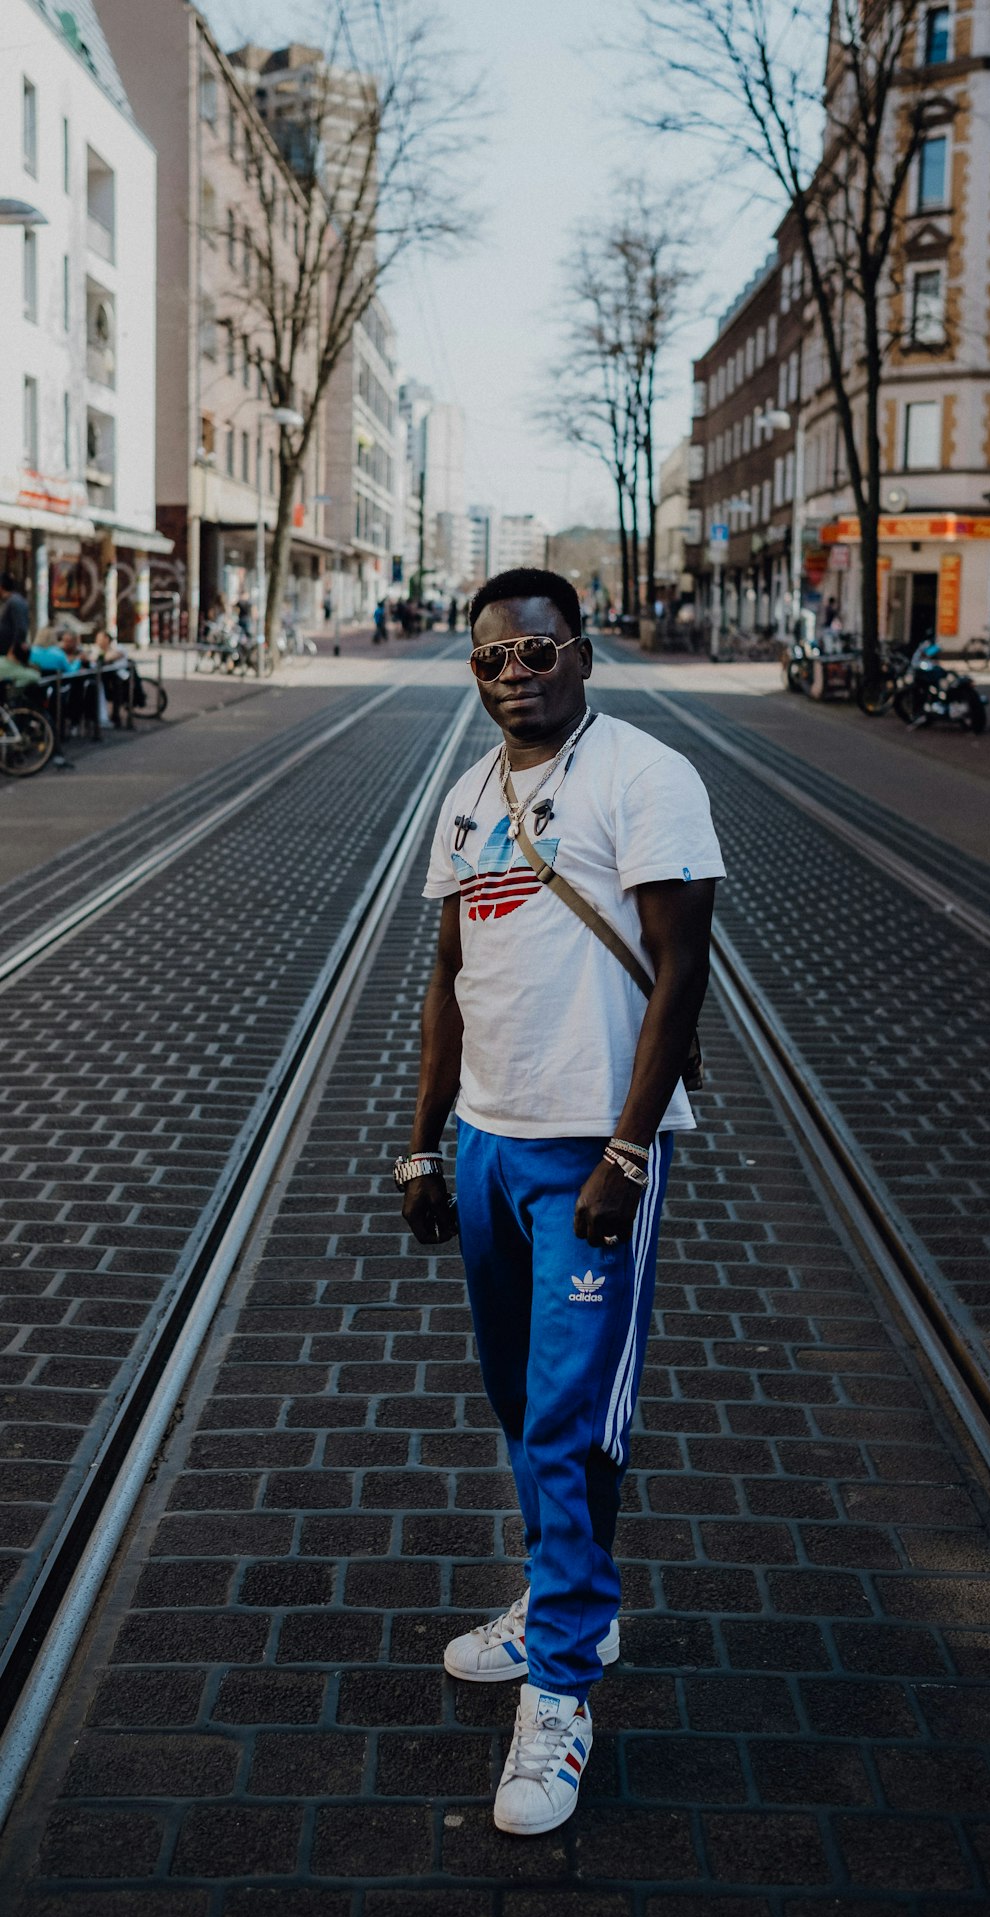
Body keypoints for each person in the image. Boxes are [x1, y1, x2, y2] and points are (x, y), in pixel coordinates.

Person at [399, 565, 724, 1837]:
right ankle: (556, 1595)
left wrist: (629, 1153)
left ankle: (566, 1682)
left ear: (579, 652)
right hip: (486, 1142)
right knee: (515, 1400)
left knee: (572, 1421)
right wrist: (423, 1150)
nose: (513, 675)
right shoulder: (470, 795)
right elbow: (445, 973)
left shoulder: (646, 774)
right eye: (490, 658)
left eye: (536, 653)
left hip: (591, 1150)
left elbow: (682, 965)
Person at [0, 572, 30, 654]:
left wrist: (13, 651)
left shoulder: (15, 602)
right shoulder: (8, 601)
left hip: (10, 654)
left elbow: (21, 629)